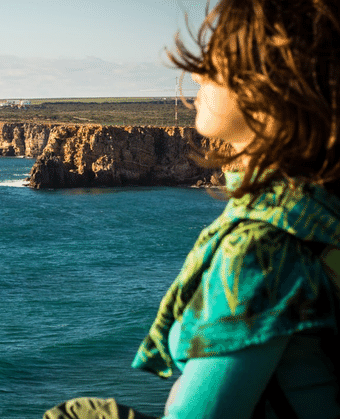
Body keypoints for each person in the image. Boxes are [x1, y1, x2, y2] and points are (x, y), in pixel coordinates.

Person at [44, 0, 340, 417]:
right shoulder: (322, 209)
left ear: (270, 86)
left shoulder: (261, 250)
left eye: (215, 63)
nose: (196, 74)